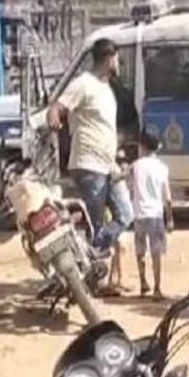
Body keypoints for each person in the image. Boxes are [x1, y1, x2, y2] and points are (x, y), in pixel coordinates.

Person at [45, 37, 132, 254]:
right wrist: (53, 116)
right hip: (89, 165)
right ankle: (88, 256)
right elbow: (57, 105)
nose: (119, 63)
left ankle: (89, 251)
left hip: (108, 166)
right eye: (117, 59)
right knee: (95, 223)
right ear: (108, 59)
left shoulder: (107, 88)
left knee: (125, 214)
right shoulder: (83, 83)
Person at [129, 128, 174, 300]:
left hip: (139, 214)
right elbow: (167, 197)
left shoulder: (136, 166)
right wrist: (170, 218)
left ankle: (143, 283)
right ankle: (157, 288)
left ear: (141, 146)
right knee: (156, 253)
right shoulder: (162, 168)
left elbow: (130, 188)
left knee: (140, 251)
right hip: (156, 215)